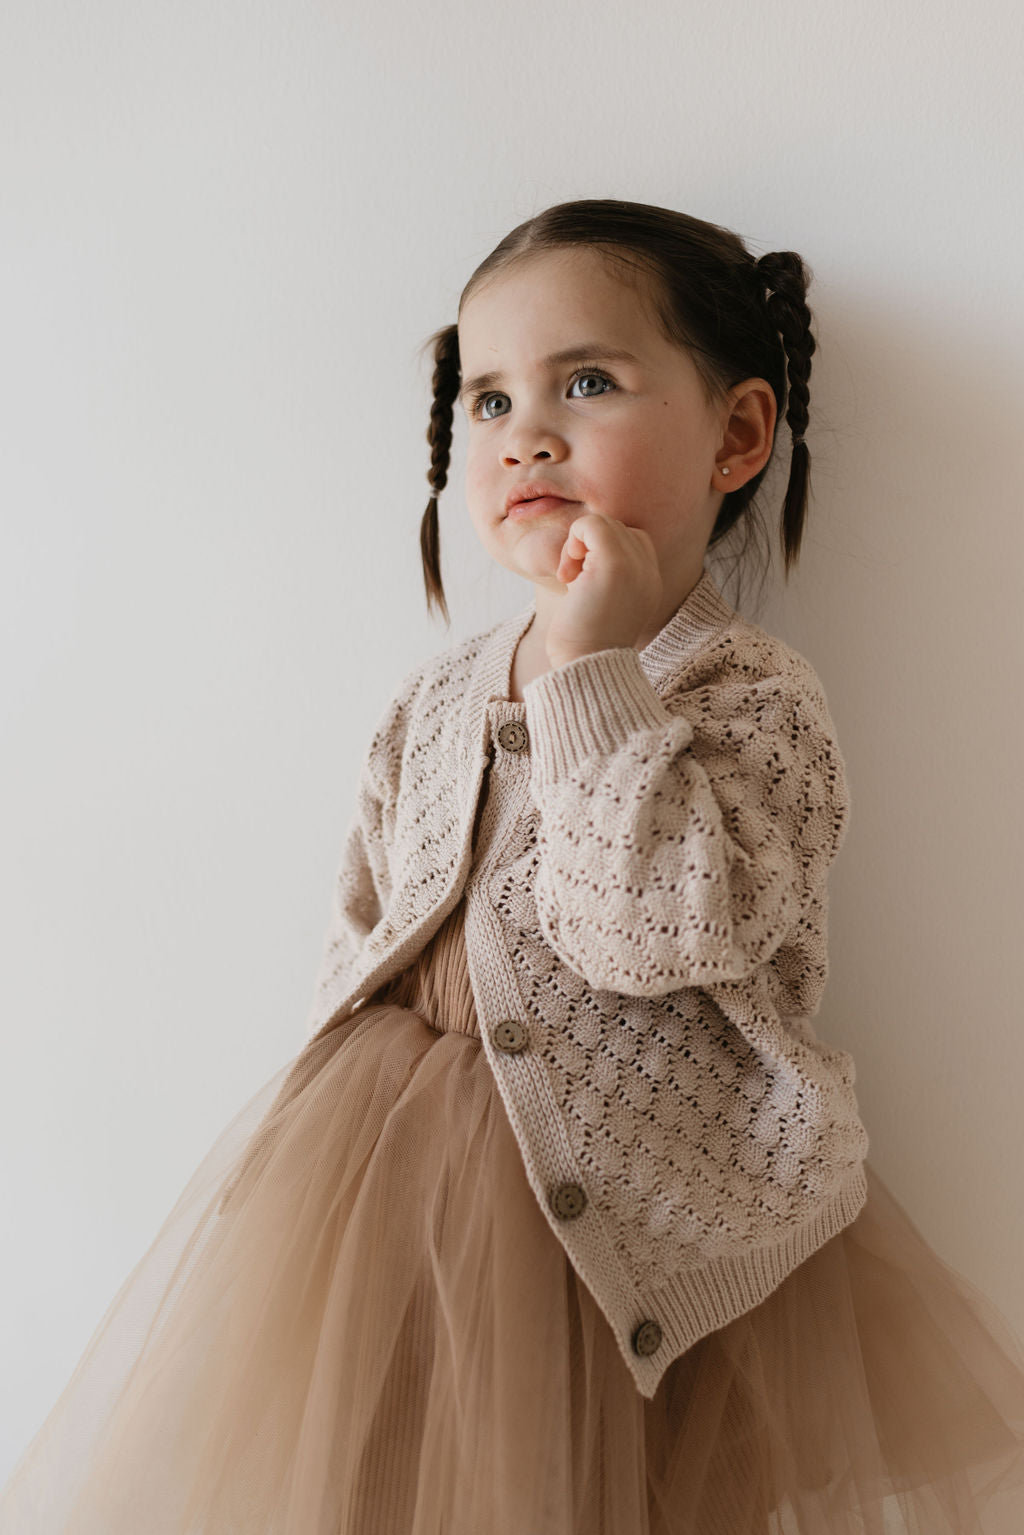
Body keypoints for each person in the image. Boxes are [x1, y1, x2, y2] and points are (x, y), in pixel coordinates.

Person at [2, 197, 1024, 1535]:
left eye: (586, 382)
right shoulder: (432, 701)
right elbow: (363, 932)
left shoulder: (750, 697)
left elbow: (653, 929)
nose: (525, 431)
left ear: (737, 435)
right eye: (486, 400)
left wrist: (595, 670)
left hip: (642, 1217)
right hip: (391, 1196)